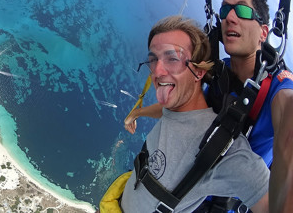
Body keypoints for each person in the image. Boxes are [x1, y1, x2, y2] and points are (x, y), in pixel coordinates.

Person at [124, 0, 293, 213]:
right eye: (225, 10)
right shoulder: (216, 72)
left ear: (264, 32)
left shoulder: (278, 86)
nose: (230, 18)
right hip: (192, 193)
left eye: (243, 10)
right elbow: (182, 106)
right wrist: (139, 112)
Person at [113, 15, 270, 213]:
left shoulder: (220, 148)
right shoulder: (176, 106)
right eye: (153, 60)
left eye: (173, 59)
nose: (157, 72)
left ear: (199, 71)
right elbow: (167, 112)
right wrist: (136, 113)